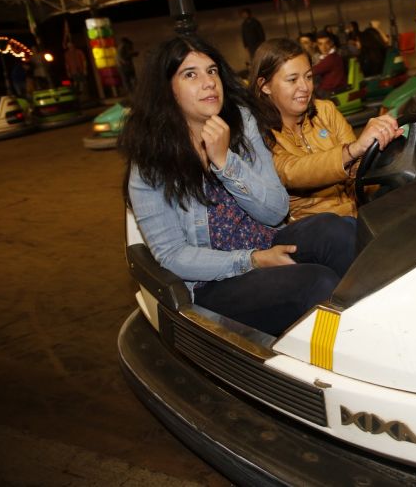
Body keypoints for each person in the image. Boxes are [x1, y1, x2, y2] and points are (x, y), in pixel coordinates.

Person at [119, 35, 356, 337]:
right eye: (190, 74)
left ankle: (377, 327)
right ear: (167, 89)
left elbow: (276, 211)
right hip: (213, 281)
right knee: (317, 282)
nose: (208, 82)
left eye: (212, 71)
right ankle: (338, 354)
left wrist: (225, 161)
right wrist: (251, 260)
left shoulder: (241, 122)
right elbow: (172, 255)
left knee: (338, 230)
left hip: (266, 240)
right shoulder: (150, 162)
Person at [251, 38, 403, 220]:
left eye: (308, 77)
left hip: (355, 210)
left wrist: (382, 152)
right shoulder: (259, 131)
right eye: (292, 80)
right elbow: (291, 172)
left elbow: (358, 171)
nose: (305, 87)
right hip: (314, 223)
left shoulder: (325, 111)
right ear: (265, 86)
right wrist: (353, 150)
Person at [312, 31, 346, 97]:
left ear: (331, 43)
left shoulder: (332, 58)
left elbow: (312, 71)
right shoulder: (328, 57)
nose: (324, 47)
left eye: (326, 43)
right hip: (328, 90)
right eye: (320, 44)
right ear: (317, 45)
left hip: (331, 91)